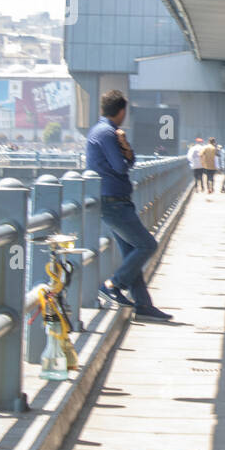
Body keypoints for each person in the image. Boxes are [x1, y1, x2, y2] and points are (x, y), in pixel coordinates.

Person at [86, 90, 172, 322]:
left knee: (130, 252)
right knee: (147, 245)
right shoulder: (108, 133)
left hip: (113, 200)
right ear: (122, 111)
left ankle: (143, 305)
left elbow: (129, 161)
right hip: (114, 202)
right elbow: (122, 167)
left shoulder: (101, 130)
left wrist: (124, 146)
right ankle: (113, 284)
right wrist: (123, 148)